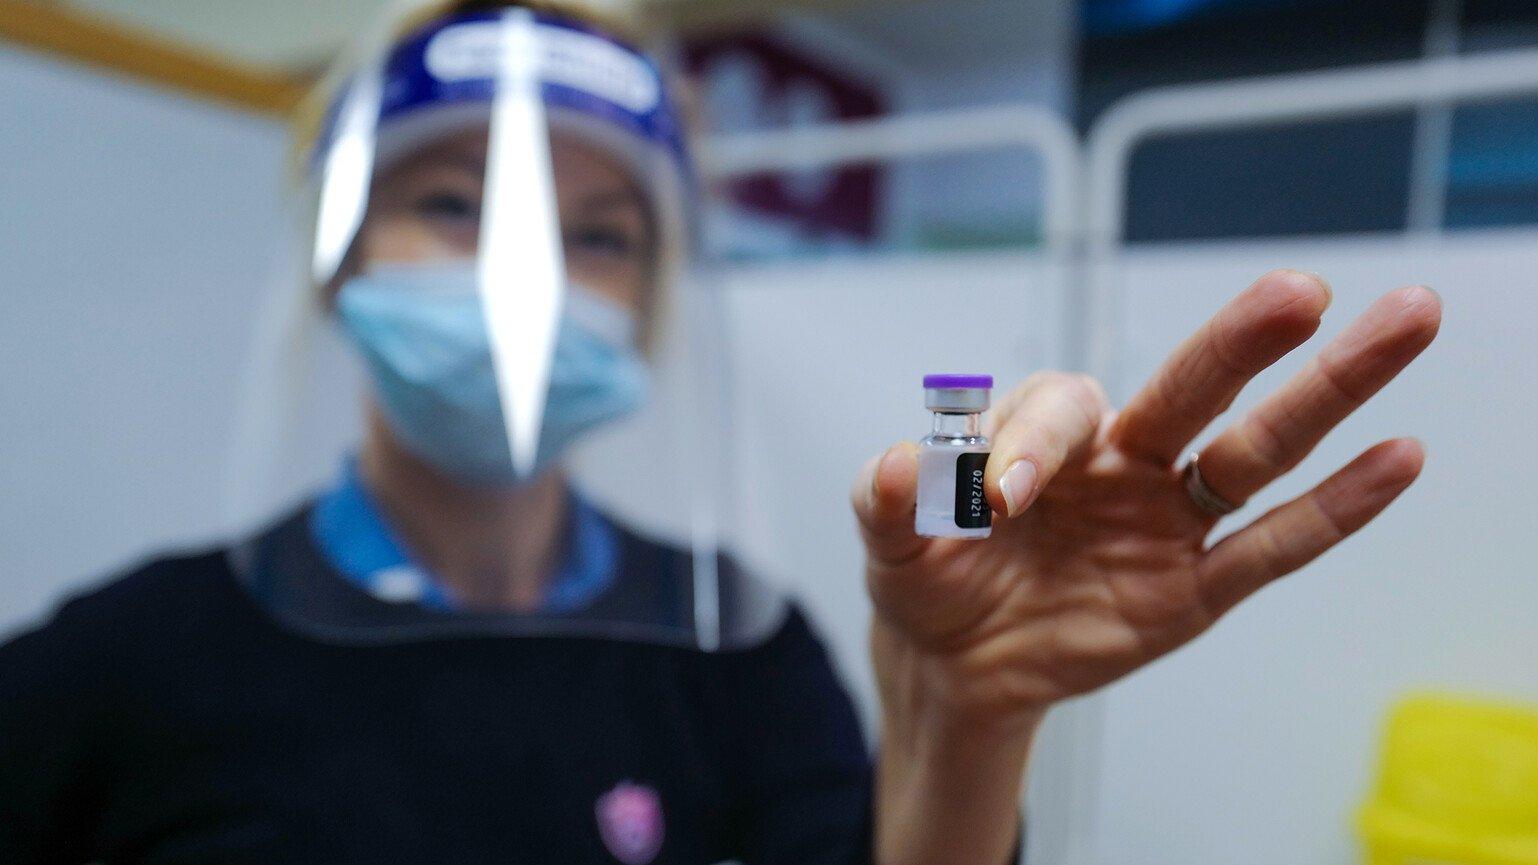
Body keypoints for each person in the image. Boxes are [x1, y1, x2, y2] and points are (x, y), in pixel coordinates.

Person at [0, 1, 1443, 863]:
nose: (529, 277)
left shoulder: (734, 655)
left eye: (600, 231)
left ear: (655, 292)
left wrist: (974, 721)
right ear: (332, 254)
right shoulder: (120, 663)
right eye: (456, 205)